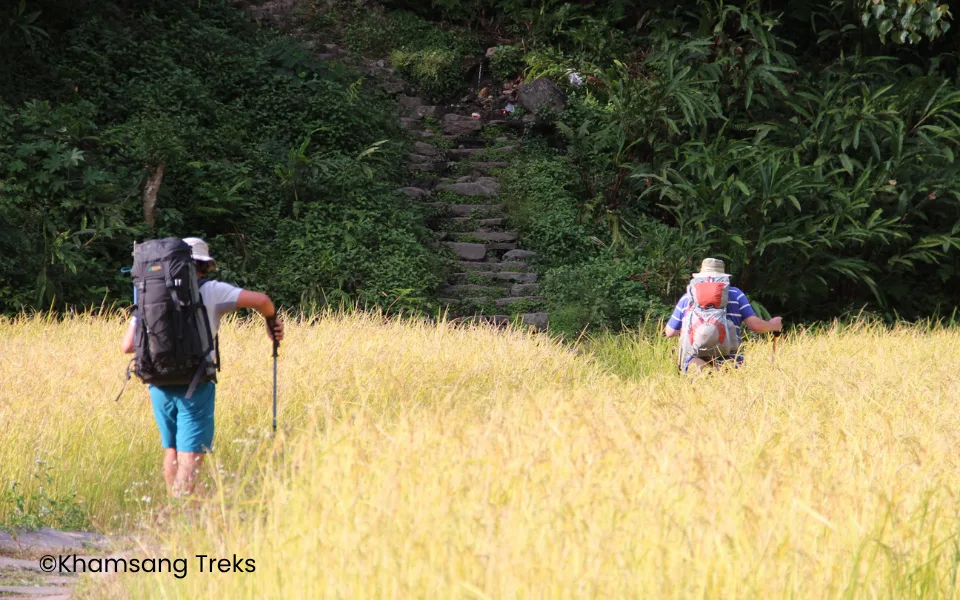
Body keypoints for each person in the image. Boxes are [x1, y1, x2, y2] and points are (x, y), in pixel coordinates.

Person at [120, 237, 284, 497]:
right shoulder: (213, 290)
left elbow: (127, 345)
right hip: (195, 383)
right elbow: (262, 300)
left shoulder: (150, 291)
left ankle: (174, 510)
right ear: (204, 265)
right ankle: (181, 514)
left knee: (171, 449)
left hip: (157, 382)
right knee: (190, 453)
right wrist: (271, 322)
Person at [664, 258, 782, 373]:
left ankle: (703, 372)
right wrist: (772, 325)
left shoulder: (688, 298)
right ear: (723, 276)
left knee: (699, 382)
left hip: (696, 361)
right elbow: (755, 326)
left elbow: (670, 332)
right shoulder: (736, 294)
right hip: (730, 362)